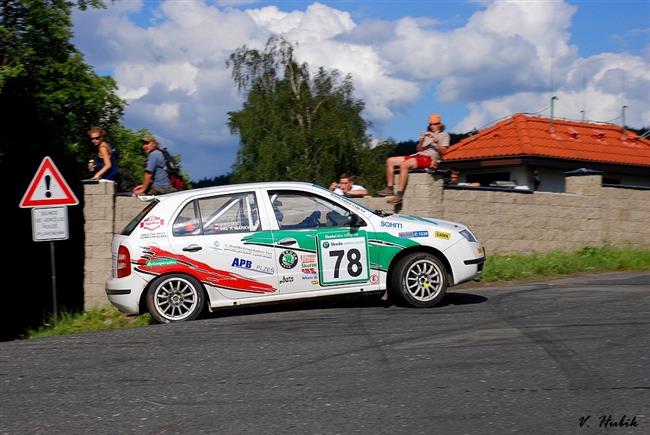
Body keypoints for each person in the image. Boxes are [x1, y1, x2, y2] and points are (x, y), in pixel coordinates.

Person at [377, 114, 450, 204]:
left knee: (404, 165)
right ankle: (390, 188)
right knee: (390, 161)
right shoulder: (428, 134)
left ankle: (399, 195)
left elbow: (444, 152)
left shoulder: (444, 135)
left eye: (435, 124)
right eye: (431, 124)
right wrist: (422, 140)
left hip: (429, 159)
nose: (432, 126)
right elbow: (419, 149)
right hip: (418, 155)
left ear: (440, 124)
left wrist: (436, 142)